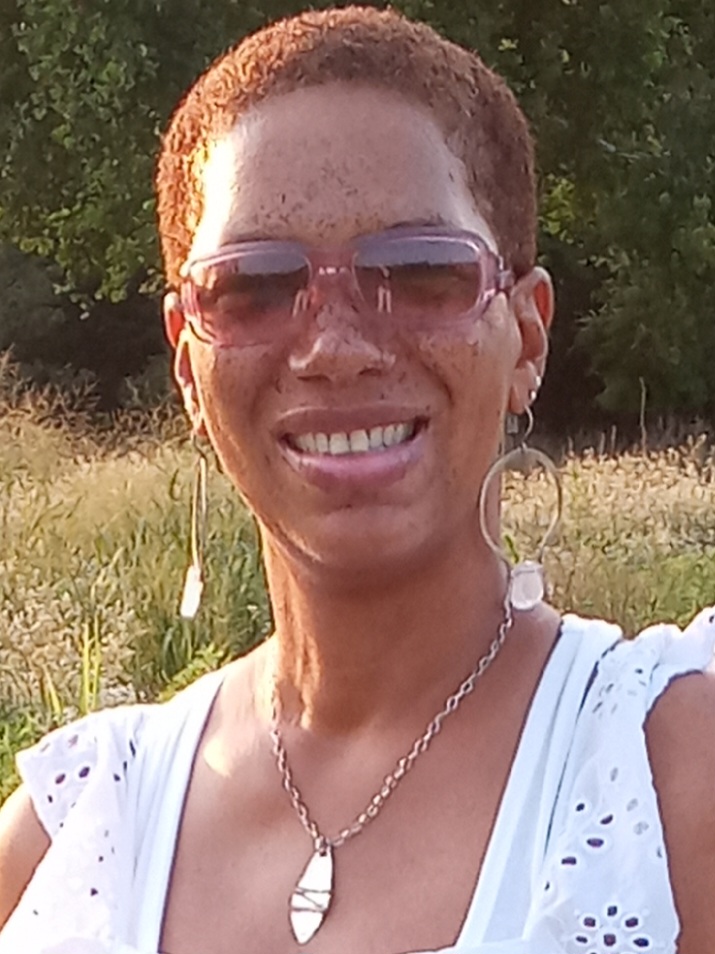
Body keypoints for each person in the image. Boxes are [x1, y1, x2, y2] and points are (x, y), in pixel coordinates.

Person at [0, 6, 714, 953]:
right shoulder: (74, 832)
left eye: (419, 270)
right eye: (251, 286)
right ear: (186, 363)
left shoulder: (667, 773)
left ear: (526, 337)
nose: (334, 347)